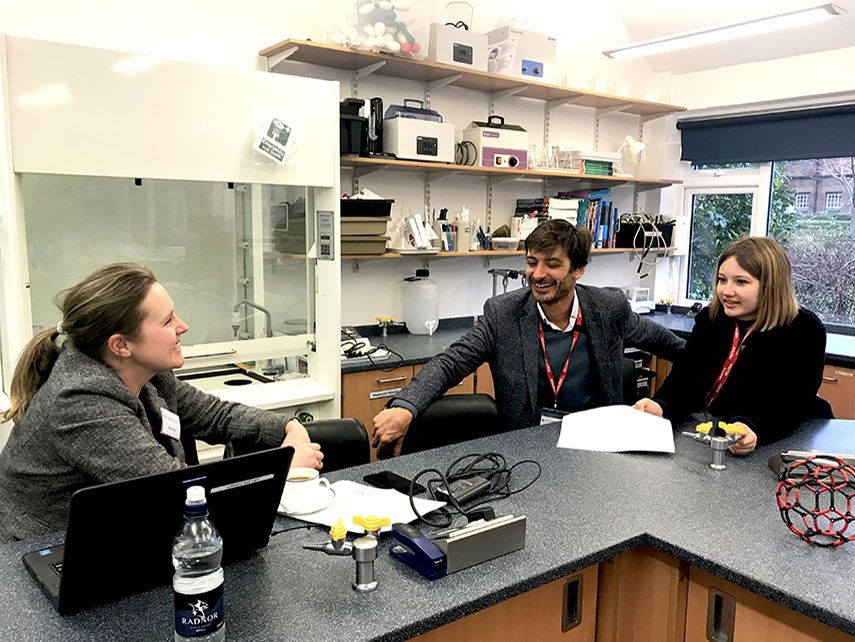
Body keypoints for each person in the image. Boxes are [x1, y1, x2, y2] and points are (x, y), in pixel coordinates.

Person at [0, 263, 323, 543]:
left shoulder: (148, 374)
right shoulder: (81, 401)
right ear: (121, 345)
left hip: (110, 539)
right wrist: (284, 469)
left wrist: (287, 426)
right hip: (39, 558)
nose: (182, 327)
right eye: (167, 321)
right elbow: (172, 493)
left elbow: (216, 415)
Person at [372, 219, 686, 456]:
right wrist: (405, 407)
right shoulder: (504, 313)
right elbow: (451, 362)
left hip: (597, 451)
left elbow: (679, 351)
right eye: (532, 262)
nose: (537, 274)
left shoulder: (609, 309)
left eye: (552, 264)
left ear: (578, 270)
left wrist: (665, 403)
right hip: (525, 453)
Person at [633, 236, 830, 455]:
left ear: (771, 285)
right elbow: (686, 377)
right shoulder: (711, 319)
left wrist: (750, 426)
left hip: (783, 439)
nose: (726, 291)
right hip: (716, 432)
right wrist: (661, 405)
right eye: (722, 280)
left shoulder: (804, 330)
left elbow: (789, 404)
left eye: (741, 282)